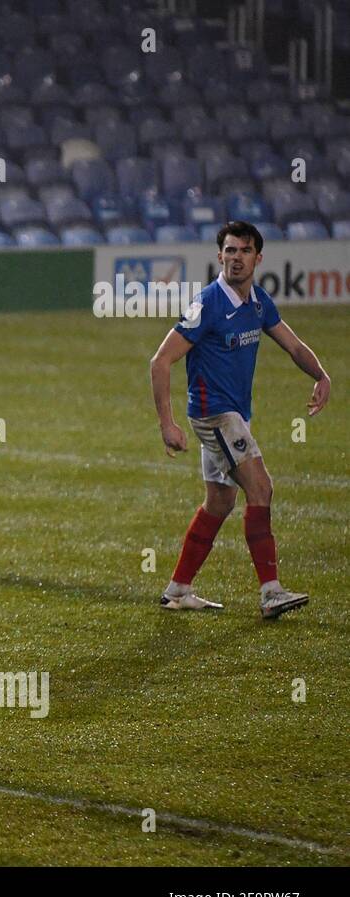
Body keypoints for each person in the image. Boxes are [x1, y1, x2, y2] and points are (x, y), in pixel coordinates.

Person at [150, 221, 330, 618]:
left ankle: (177, 590)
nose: (235, 258)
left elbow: (293, 345)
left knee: (220, 501)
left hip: (233, 416)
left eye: (243, 251)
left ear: (257, 258)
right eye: (229, 251)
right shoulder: (208, 304)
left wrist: (320, 375)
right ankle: (271, 593)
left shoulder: (258, 303)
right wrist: (167, 424)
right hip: (215, 415)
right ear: (220, 257)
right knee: (261, 488)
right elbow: (160, 360)